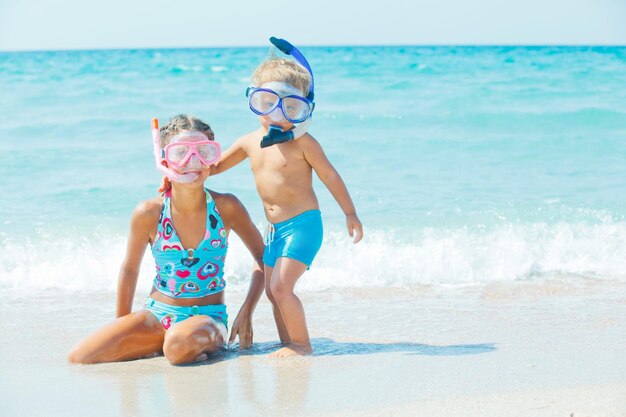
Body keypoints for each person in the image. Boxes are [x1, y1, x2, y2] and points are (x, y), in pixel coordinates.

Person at [67, 114, 265, 365]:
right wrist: (122, 324)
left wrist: (247, 310)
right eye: (180, 153)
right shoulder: (149, 213)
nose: (193, 162)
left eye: (204, 151)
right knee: (80, 357)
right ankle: (165, 343)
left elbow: (262, 257)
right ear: (164, 161)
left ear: (213, 160)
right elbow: (130, 268)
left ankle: (179, 345)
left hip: (208, 319)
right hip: (158, 314)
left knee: (177, 345)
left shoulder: (226, 207)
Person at [213, 38, 364, 357]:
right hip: (274, 230)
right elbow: (212, 168)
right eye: (267, 103)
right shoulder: (249, 142)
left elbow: (330, 176)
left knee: (282, 287)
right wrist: (177, 172)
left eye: (290, 106)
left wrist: (350, 213)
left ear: (302, 109)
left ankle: (301, 345)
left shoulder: (305, 144)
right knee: (272, 290)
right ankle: (287, 342)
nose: (276, 113)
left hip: (303, 226)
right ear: (255, 103)